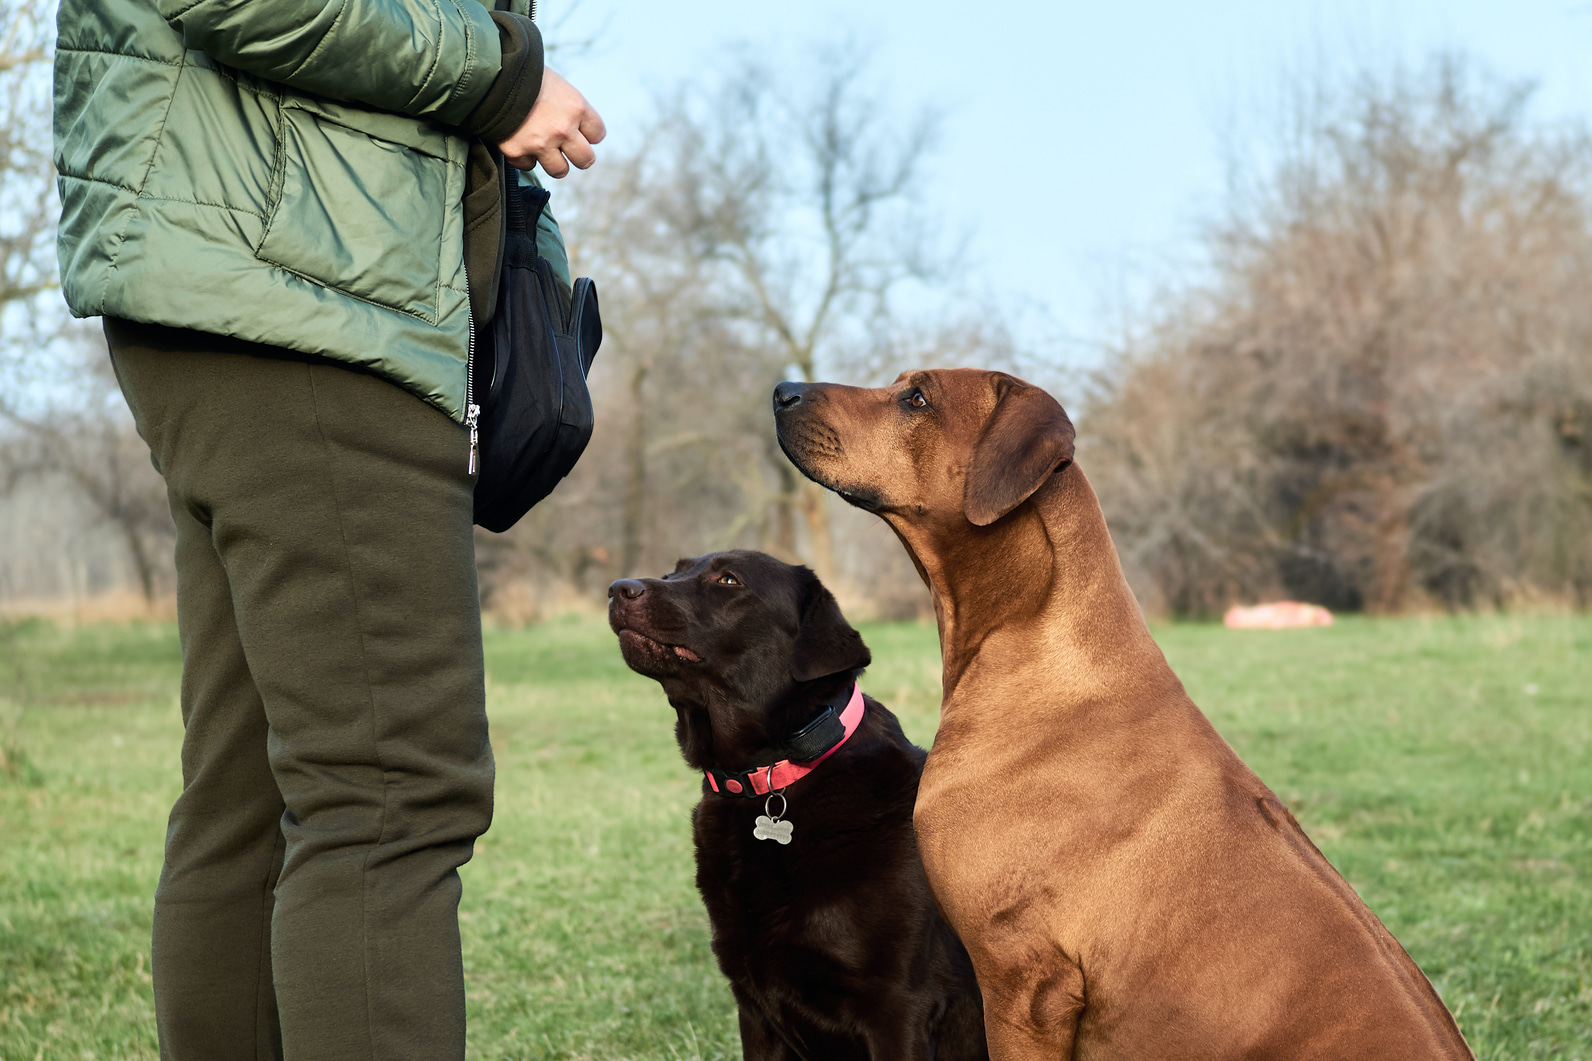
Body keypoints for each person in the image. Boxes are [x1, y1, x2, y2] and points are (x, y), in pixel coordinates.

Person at [52, 2, 604, 1058]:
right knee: (390, 797)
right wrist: (499, 74)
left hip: (256, 282)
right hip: (313, 298)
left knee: (251, 799)